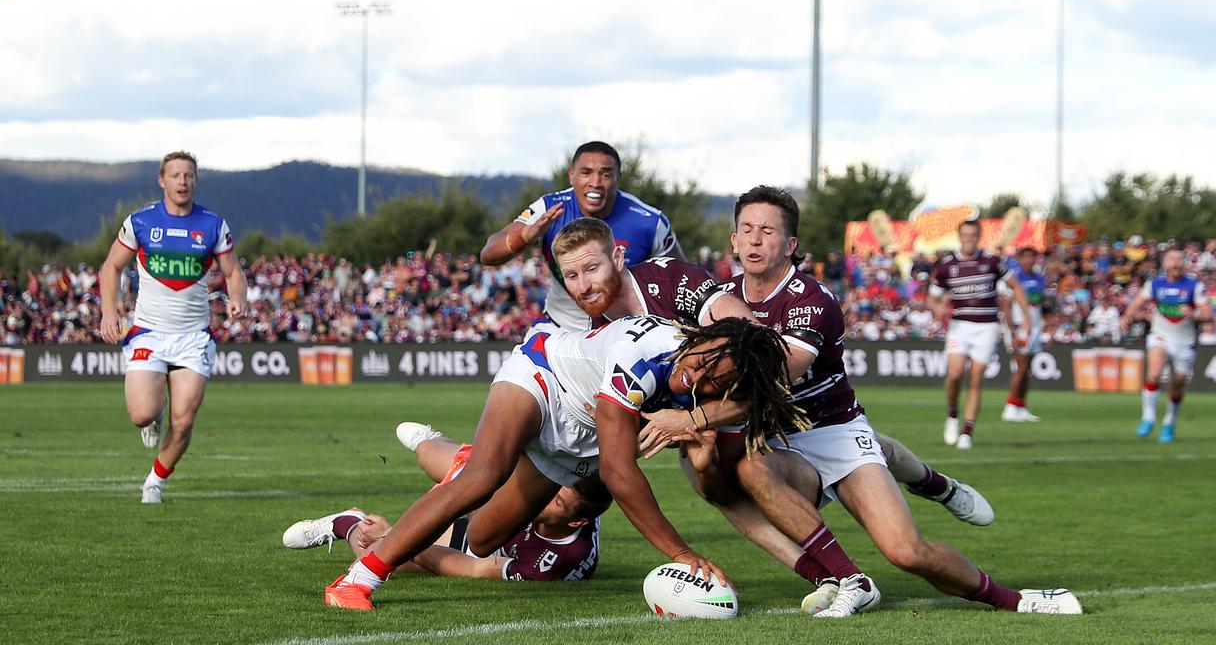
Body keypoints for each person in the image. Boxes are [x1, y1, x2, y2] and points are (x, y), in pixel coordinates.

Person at [552, 217, 996, 617]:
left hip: (792, 403)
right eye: (571, 276)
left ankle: (933, 484)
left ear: (618, 257)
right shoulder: (593, 333)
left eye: (591, 269)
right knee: (721, 489)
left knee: (864, 451)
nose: (583, 284)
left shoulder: (675, 281)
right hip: (719, 410)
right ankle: (832, 579)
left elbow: (763, 370)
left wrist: (693, 419)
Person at [720, 186, 1081, 616]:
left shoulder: (813, 299)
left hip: (833, 432)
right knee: (748, 467)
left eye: (768, 231)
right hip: (778, 440)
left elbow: (779, 376)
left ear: (791, 245)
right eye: (747, 230)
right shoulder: (718, 297)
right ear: (734, 241)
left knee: (906, 552)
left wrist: (694, 412)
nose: (756, 240)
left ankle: (1016, 597)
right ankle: (851, 580)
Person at [322, 314, 803, 610]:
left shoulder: (719, 379)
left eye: (710, 378)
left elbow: (762, 397)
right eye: (698, 359)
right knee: (481, 479)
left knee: (485, 538)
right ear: (700, 337)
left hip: (579, 438)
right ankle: (356, 582)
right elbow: (618, 472)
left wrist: (698, 414)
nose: (692, 372)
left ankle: (368, 522)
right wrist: (682, 553)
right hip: (543, 377)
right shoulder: (642, 359)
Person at [98, 151, 247, 504]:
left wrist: (237, 296)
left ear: (195, 181)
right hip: (148, 332)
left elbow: (232, 271)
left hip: (193, 338)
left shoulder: (212, 225)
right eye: (176, 175)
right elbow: (110, 268)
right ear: (162, 181)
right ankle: (154, 416)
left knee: (184, 422)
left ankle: (154, 482)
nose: (183, 181)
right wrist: (108, 311)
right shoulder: (141, 222)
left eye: (189, 175)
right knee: (142, 414)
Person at [283, 423, 611, 582]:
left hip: (483, 545)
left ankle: (346, 523)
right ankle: (436, 442)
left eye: (556, 499)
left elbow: (473, 567)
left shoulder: (552, 562)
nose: (547, 493)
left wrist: (395, 539)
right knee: (429, 455)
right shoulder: (571, 485)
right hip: (502, 502)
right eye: (552, 485)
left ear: (577, 521)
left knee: (374, 554)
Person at [479, 141, 682, 330]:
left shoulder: (650, 221)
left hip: (624, 336)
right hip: (561, 331)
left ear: (618, 176)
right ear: (571, 175)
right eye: (586, 172)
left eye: (605, 174)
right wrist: (524, 237)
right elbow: (488, 254)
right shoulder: (549, 209)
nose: (595, 182)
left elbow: (681, 280)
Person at [928, 219, 1032, 449]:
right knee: (955, 374)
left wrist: (1025, 318)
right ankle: (952, 414)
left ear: (978, 236)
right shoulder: (947, 265)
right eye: (965, 234)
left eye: (973, 235)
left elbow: (1016, 286)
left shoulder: (992, 261)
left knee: (976, 378)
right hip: (959, 325)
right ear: (959, 235)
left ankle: (967, 431)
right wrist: (938, 310)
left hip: (987, 326)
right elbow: (932, 297)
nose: (969, 239)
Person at [1119, 248, 1212, 443]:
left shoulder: (1194, 285)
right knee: (1154, 373)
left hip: (1184, 343)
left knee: (1177, 384)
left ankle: (1169, 421)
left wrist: (1193, 313)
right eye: (1172, 259)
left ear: (1185, 263)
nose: (1176, 263)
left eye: (1179, 259)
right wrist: (1127, 316)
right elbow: (1137, 302)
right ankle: (1148, 418)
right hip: (1160, 336)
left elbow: (1208, 314)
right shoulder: (1155, 283)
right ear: (1164, 263)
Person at [998, 247, 1045, 422]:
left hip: (1034, 327)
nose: (1029, 261)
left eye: (1032, 257)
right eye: (1025, 257)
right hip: (1019, 326)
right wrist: (1011, 328)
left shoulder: (1039, 278)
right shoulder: (1014, 278)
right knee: (1021, 367)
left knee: (1027, 369)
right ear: (1019, 259)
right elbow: (1006, 305)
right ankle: (1010, 407)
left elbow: (1040, 304)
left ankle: (1021, 406)